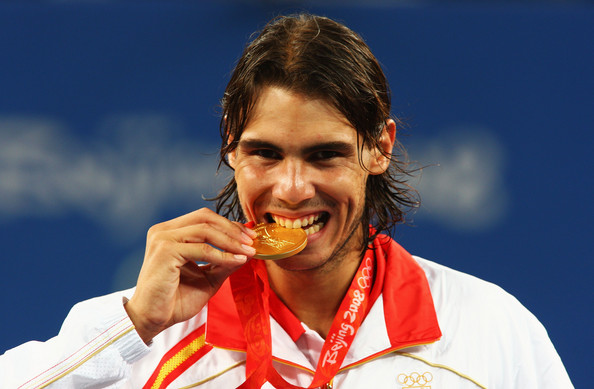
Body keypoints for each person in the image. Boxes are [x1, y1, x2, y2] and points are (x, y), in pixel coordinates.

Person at [0, 13, 572, 389]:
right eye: (265, 154)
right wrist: (131, 326)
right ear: (231, 146)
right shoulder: (154, 338)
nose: (292, 188)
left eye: (324, 155)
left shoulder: (490, 331)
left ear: (379, 148)